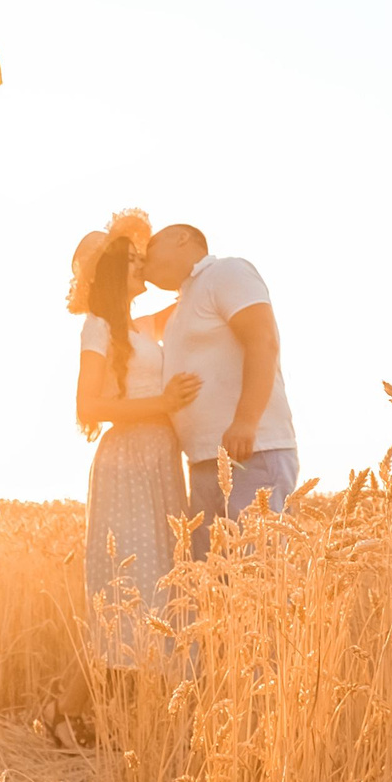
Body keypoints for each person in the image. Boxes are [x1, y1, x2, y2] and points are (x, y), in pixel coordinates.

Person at [68, 211, 199, 669]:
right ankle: (69, 712)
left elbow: (193, 295)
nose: (140, 264)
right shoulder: (98, 329)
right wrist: (162, 404)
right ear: (108, 274)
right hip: (126, 461)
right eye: (130, 260)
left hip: (161, 460)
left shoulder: (141, 329)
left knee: (165, 583)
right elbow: (88, 407)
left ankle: (142, 710)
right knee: (133, 587)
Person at [143, 224, 299, 554]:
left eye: (150, 248)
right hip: (202, 460)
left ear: (181, 238)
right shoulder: (184, 302)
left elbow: (263, 340)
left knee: (259, 580)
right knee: (215, 590)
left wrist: (246, 421)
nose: (143, 259)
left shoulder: (226, 272)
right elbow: (119, 330)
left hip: (251, 452)